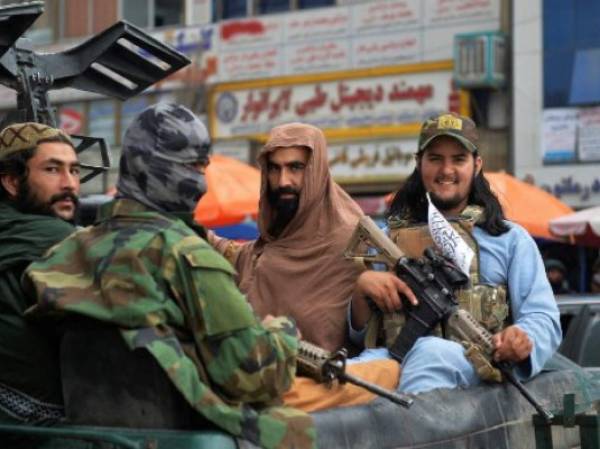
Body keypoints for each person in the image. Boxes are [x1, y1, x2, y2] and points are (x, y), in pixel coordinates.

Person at [24, 104, 314, 449]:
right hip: (199, 427)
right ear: (153, 167)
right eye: (193, 166)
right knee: (376, 382)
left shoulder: (63, 253)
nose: (202, 181)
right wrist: (283, 332)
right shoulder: (186, 256)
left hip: (94, 434)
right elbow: (253, 377)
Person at [349, 112, 562, 393]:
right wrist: (362, 291)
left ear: (476, 165)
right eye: (435, 158)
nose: (446, 170)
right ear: (418, 163)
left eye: (458, 159)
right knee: (343, 377)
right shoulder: (390, 238)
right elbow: (358, 334)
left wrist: (522, 339)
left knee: (431, 354)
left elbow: (543, 318)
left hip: (474, 369)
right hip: (392, 358)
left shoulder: (509, 240)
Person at [210, 122, 364, 352]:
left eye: (295, 168)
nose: (283, 181)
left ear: (316, 169)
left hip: (323, 382)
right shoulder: (273, 240)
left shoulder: (350, 240)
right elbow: (241, 256)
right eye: (274, 169)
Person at [0, 122, 80, 423]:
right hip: (30, 420)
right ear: (11, 182)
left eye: (74, 170)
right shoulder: (56, 236)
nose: (69, 184)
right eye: (52, 170)